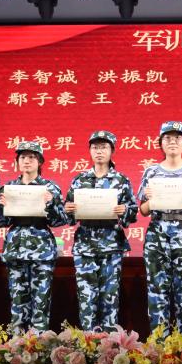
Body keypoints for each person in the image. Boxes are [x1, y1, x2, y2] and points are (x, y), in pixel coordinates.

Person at [137, 121, 182, 334]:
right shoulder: (151, 172)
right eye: (167, 138)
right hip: (157, 233)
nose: (172, 142)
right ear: (160, 143)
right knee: (157, 292)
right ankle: (158, 346)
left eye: (178, 138)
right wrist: (149, 200)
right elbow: (143, 210)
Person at [65, 130, 137, 332]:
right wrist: (68, 209)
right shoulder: (79, 179)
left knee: (110, 297)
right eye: (95, 147)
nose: (99, 151)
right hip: (85, 246)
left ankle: (109, 345)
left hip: (112, 245)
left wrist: (125, 211)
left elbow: (132, 213)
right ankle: (88, 343)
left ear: (112, 150)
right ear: (89, 151)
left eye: (104, 147)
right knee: (86, 298)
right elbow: (68, 215)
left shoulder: (121, 180)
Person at [0, 141, 67, 332]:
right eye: (23, 157)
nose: (27, 161)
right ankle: (18, 346)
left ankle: (39, 346)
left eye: (32, 157)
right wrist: (0, 205)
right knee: (17, 303)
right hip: (16, 249)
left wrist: (51, 203)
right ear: (17, 161)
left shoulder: (50, 188)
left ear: (40, 162)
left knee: (41, 303)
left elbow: (60, 221)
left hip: (42, 251)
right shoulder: (8, 188)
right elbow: (0, 221)